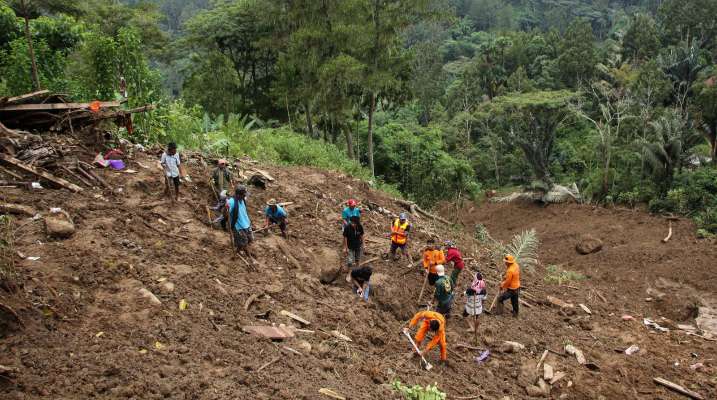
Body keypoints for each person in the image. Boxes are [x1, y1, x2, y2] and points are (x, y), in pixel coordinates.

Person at [226, 185, 254, 259]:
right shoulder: (231, 202)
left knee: (250, 240)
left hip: (247, 224)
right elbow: (225, 214)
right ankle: (250, 258)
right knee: (244, 243)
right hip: (238, 227)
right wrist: (226, 209)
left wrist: (249, 222)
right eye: (243, 195)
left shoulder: (242, 200)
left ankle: (237, 251)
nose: (244, 196)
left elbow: (244, 212)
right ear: (238, 194)